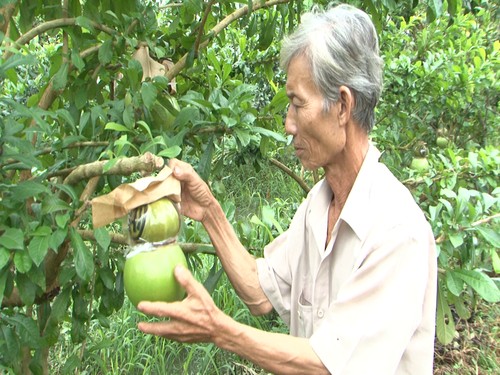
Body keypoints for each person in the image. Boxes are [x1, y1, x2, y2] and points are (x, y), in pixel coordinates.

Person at [137, 4, 437, 374]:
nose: (288, 124)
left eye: (297, 104)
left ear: (342, 106)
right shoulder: (318, 206)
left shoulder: (395, 231)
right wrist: (209, 212)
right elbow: (260, 291)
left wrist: (220, 330)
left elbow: (328, 366)